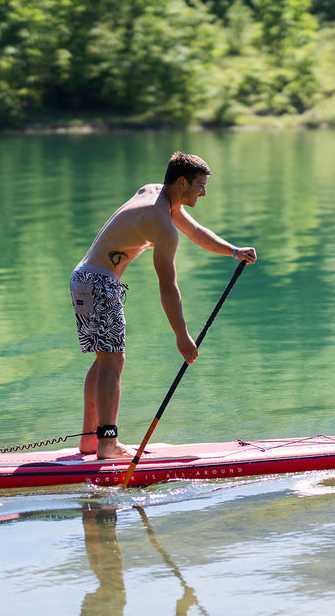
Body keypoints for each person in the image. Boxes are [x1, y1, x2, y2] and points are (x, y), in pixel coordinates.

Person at [70, 152, 257, 459]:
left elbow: (196, 233)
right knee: (113, 362)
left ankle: (91, 440)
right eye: (200, 185)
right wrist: (182, 335)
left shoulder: (156, 193)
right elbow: (167, 285)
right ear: (182, 181)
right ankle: (106, 443)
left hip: (85, 278)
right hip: (99, 284)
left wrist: (234, 251)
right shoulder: (161, 223)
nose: (204, 192)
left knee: (105, 361)